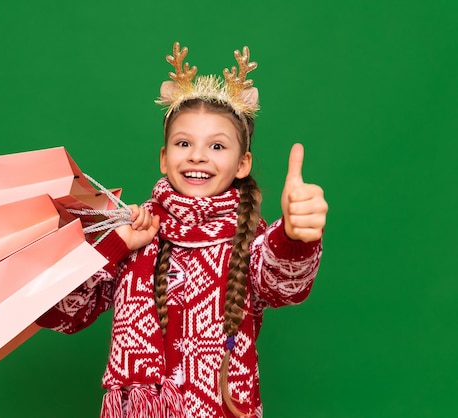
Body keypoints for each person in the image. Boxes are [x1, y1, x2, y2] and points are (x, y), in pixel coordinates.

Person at [37, 42, 328, 418]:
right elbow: (61, 313)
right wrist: (116, 245)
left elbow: (284, 285)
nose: (197, 156)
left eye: (218, 146)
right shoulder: (134, 232)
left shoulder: (251, 238)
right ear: (164, 157)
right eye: (184, 143)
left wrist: (294, 235)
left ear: (243, 163)